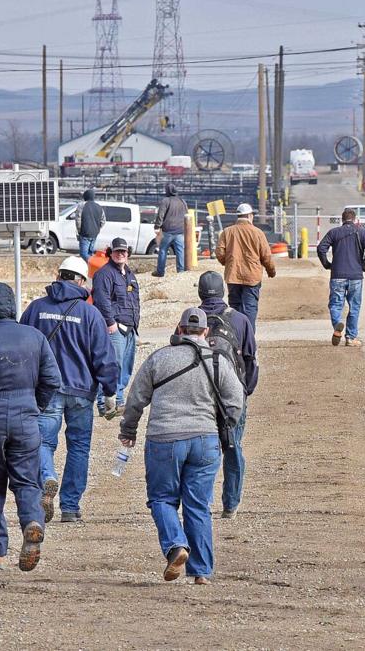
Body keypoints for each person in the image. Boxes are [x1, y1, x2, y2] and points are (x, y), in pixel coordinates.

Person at [120, 308, 244, 585]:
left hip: (164, 439)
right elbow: (236, 400)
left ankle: (176, 546)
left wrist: (128, 430)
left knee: (162, 499)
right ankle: (201, 572)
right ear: (205, 332)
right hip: (205, 439)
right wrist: (225, 425)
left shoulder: (159, 358)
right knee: (198, 505)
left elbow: (136, 399)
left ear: (179, 330)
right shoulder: (217, 361)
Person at [0, 283, 62, 571]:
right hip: (26, 419)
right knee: (28, 481)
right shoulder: (35, 337)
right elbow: (51, 380)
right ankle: (32, 521)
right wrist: (35, 406)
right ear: (12, 306)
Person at [20, 256, 119, 524]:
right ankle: (71, 507)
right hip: (81, 392)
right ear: (81, 281)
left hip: (46, 391)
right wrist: (110, 391)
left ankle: (47, 476)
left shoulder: (35, 309)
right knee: (78, 448)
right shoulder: (90, 313)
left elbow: (22, 347)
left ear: (59, 275)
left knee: (42, 443)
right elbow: (104, 356)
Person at [196, 270, 258, 519]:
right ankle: (230, 504)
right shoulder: (241, 320)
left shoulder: (191, 317)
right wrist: (245, 390)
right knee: (233, 446)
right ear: (223, 291)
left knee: (201, 449)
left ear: (200, 292)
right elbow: (251, 360)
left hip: (200, 394)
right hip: (233, 395)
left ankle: (201, 501)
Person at [91, 236, 140, 417]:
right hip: (115, 328)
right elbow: (102, 300)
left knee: (126, 366)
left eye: (124, 251)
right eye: (117, 251)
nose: (121, 254)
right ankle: (104, 402)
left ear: (128, 254)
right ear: (111, 253)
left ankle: (119, 401)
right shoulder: (104, 274)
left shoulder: (129, 274)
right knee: (112, 365)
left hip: (130, 328)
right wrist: (110, 323)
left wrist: (136, 325)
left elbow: (135, 300)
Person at [316, 208, 365, 348]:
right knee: (354, 307)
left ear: (342, 219)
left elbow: (321, 248)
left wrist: (327, 264)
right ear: (355, 219)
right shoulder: (362, 232)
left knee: (336, 304)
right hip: (356, 276)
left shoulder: (334, 232)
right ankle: (350, 338)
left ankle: (337, 323)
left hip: (337, 275)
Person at [215, 203, 276, 331]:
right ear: (249, 216)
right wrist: (271, 271)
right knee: (250, 309)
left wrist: (229, 263)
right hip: (252, 278)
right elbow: (266, 256)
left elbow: (219, 253)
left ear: (238, 216)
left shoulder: (227, 232)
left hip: (233, 276)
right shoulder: (258, 233)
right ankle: (248, 342)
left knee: (234, 309)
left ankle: (236, 340)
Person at [153, 183, 189, 277]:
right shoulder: (182, 201)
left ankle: (160, 272)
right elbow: (187, 215)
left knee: (163, 250)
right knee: (180, 251)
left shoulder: (166, 201)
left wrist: (157, 226)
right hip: (180, 231)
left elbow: (160, 215)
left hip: (167, 231)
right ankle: (181, 271)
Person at [75, 189, 106, 261]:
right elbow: (103, 221)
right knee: (90, 253)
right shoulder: (99, 207)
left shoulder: (81, 205)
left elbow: (78, 220)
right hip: (94, 234)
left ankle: (94, 263)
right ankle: (90, 270)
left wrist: (80, 231)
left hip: (84, 233)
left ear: (85, 196)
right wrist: (97, 229)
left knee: (83, 254)